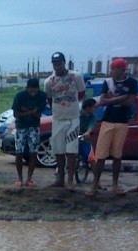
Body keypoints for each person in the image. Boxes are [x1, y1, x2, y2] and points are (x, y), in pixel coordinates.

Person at [87, 58, 138, 197]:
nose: (112, 71)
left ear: (122, 69)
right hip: (108, 120)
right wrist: (120, 98)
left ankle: (115, 184)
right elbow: (103, 101)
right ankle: (94, 185)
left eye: (114, 68)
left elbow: (130, 102)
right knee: (101, 154)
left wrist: (111, 99)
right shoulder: (108, 82)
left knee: (117, 155)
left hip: (122, 121)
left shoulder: (132, 83)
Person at [44, 52, 85, 191]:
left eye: (59, 64)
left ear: (64, 63)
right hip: (57, 118)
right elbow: (49, 99)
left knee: (71, 150)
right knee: (58, 150)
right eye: (55, 64)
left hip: (73, 117)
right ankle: (59, 178)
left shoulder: (76, 77)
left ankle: (70, 180)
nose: (57, 66)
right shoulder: (49, 81)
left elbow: (81, 94)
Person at [11, 77, 47, 187]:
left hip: (34, 126)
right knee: (19, 152)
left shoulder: (42, 95)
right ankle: (19, 177)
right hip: (21, 126)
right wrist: (31, 112)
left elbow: (38, 114)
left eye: (35, 90)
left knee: (33, 152)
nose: (33, 92)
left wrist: (25, 110)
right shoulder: (19, 96)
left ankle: (29, 178)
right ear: (27, 88)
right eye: (31, 90)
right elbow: (16, 114)